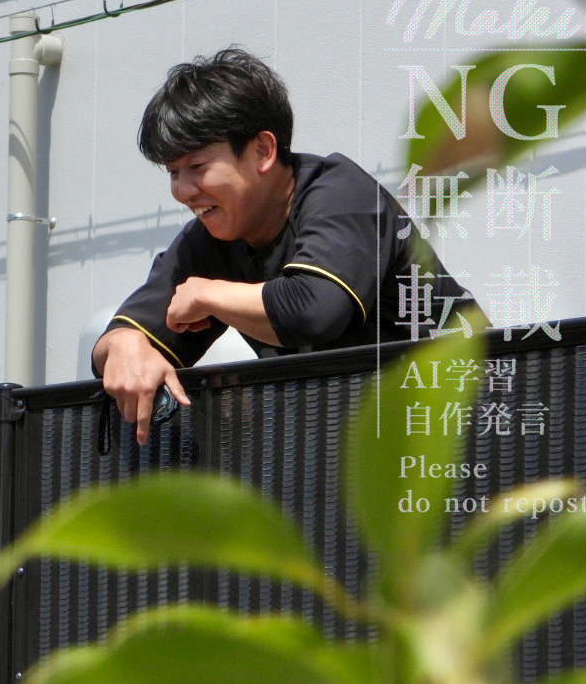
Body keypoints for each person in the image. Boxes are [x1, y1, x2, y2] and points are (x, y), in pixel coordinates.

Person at [93, 47, 475, 443]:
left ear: (262, 150)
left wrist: (209, 294)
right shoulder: (208, 239)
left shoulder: (341, 193)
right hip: (349, 438)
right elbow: (118, 337)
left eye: (197, 167)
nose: (183, 191)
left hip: (468, 417)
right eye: (173, 172)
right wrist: (124, 343)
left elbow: (316, 310)